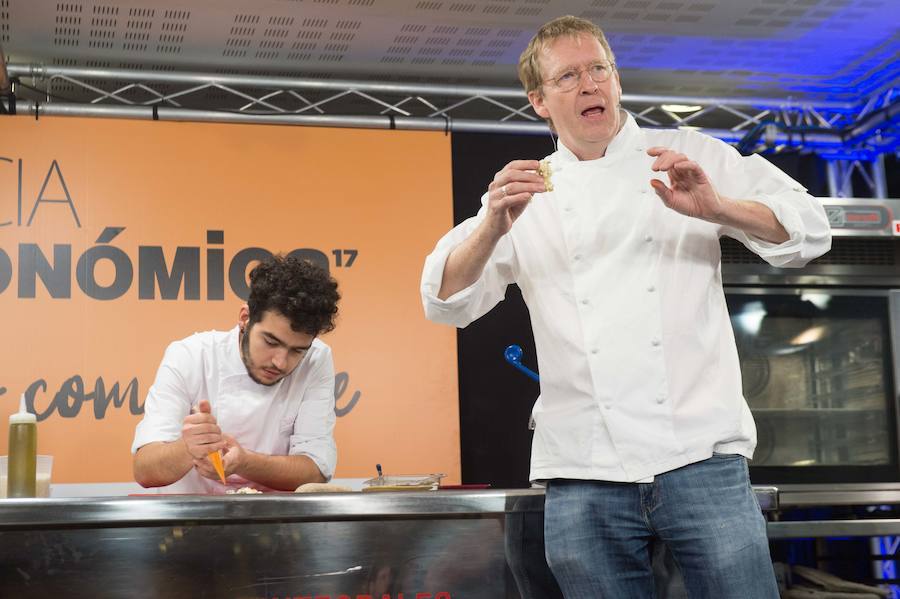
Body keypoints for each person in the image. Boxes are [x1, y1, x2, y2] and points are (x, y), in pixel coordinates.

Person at [420, 15, 830, 599]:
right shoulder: (526, 193)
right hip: (584, 470)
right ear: (538, 101)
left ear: (616, 79)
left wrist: (718, 208)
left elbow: (811, 230)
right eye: (568, 77)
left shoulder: (685, 154)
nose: (590, 86)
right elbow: (443, 300)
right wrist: (491, 227)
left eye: (599, 70)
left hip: (700, 456)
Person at [132, 255, 341, 494]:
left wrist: (245, 462)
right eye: (271, 341)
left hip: (275, 524)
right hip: (187, 523)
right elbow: (144, 470)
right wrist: (188, 447)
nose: (280, 362)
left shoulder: (317, 359)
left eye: (297, 351)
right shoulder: (190, 355)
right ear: (245, 318)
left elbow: (315, 471)